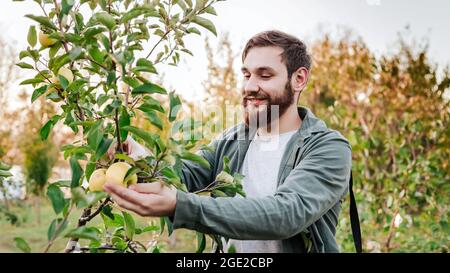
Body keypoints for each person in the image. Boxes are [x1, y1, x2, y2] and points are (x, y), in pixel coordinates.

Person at [103, 30, 352, 253]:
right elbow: (184, 176)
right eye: (246, 75)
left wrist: (182, 205)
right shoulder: (233, 140)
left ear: (299, 79)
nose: (250, 86)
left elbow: (286, 214)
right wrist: (138, 156)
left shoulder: (328, 147)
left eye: (264, 76)